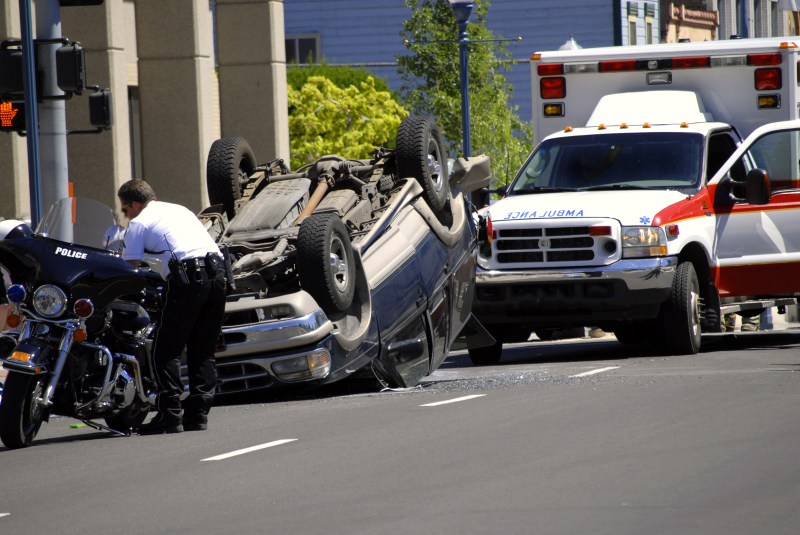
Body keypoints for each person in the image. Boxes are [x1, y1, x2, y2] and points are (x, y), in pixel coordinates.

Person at [118, 179, 226, 434]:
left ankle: (170, 415)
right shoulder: (180, 210)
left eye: (125, 209)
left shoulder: (139, 222)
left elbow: (128, 268)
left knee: (166, 350)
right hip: (219, 275)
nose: (125, 214)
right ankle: (198, 416)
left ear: (135, 204)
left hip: (189, 279)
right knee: (203, 350)